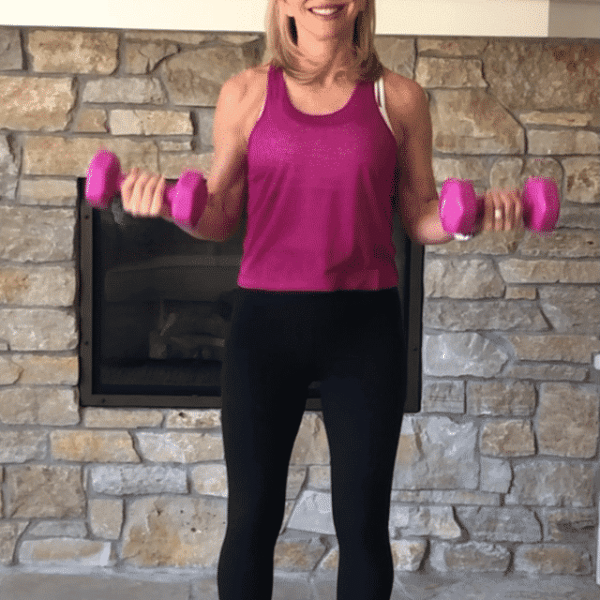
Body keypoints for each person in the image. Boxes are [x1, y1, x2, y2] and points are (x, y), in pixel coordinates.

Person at [120, 1, 523, 598]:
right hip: (264, 329)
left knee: (361, 527)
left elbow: (418, 214)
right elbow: (221, 213)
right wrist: (168, 209)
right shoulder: (247, 93)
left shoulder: (399, 98)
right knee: (251, 522)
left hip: (364, 332)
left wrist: (471, 221)